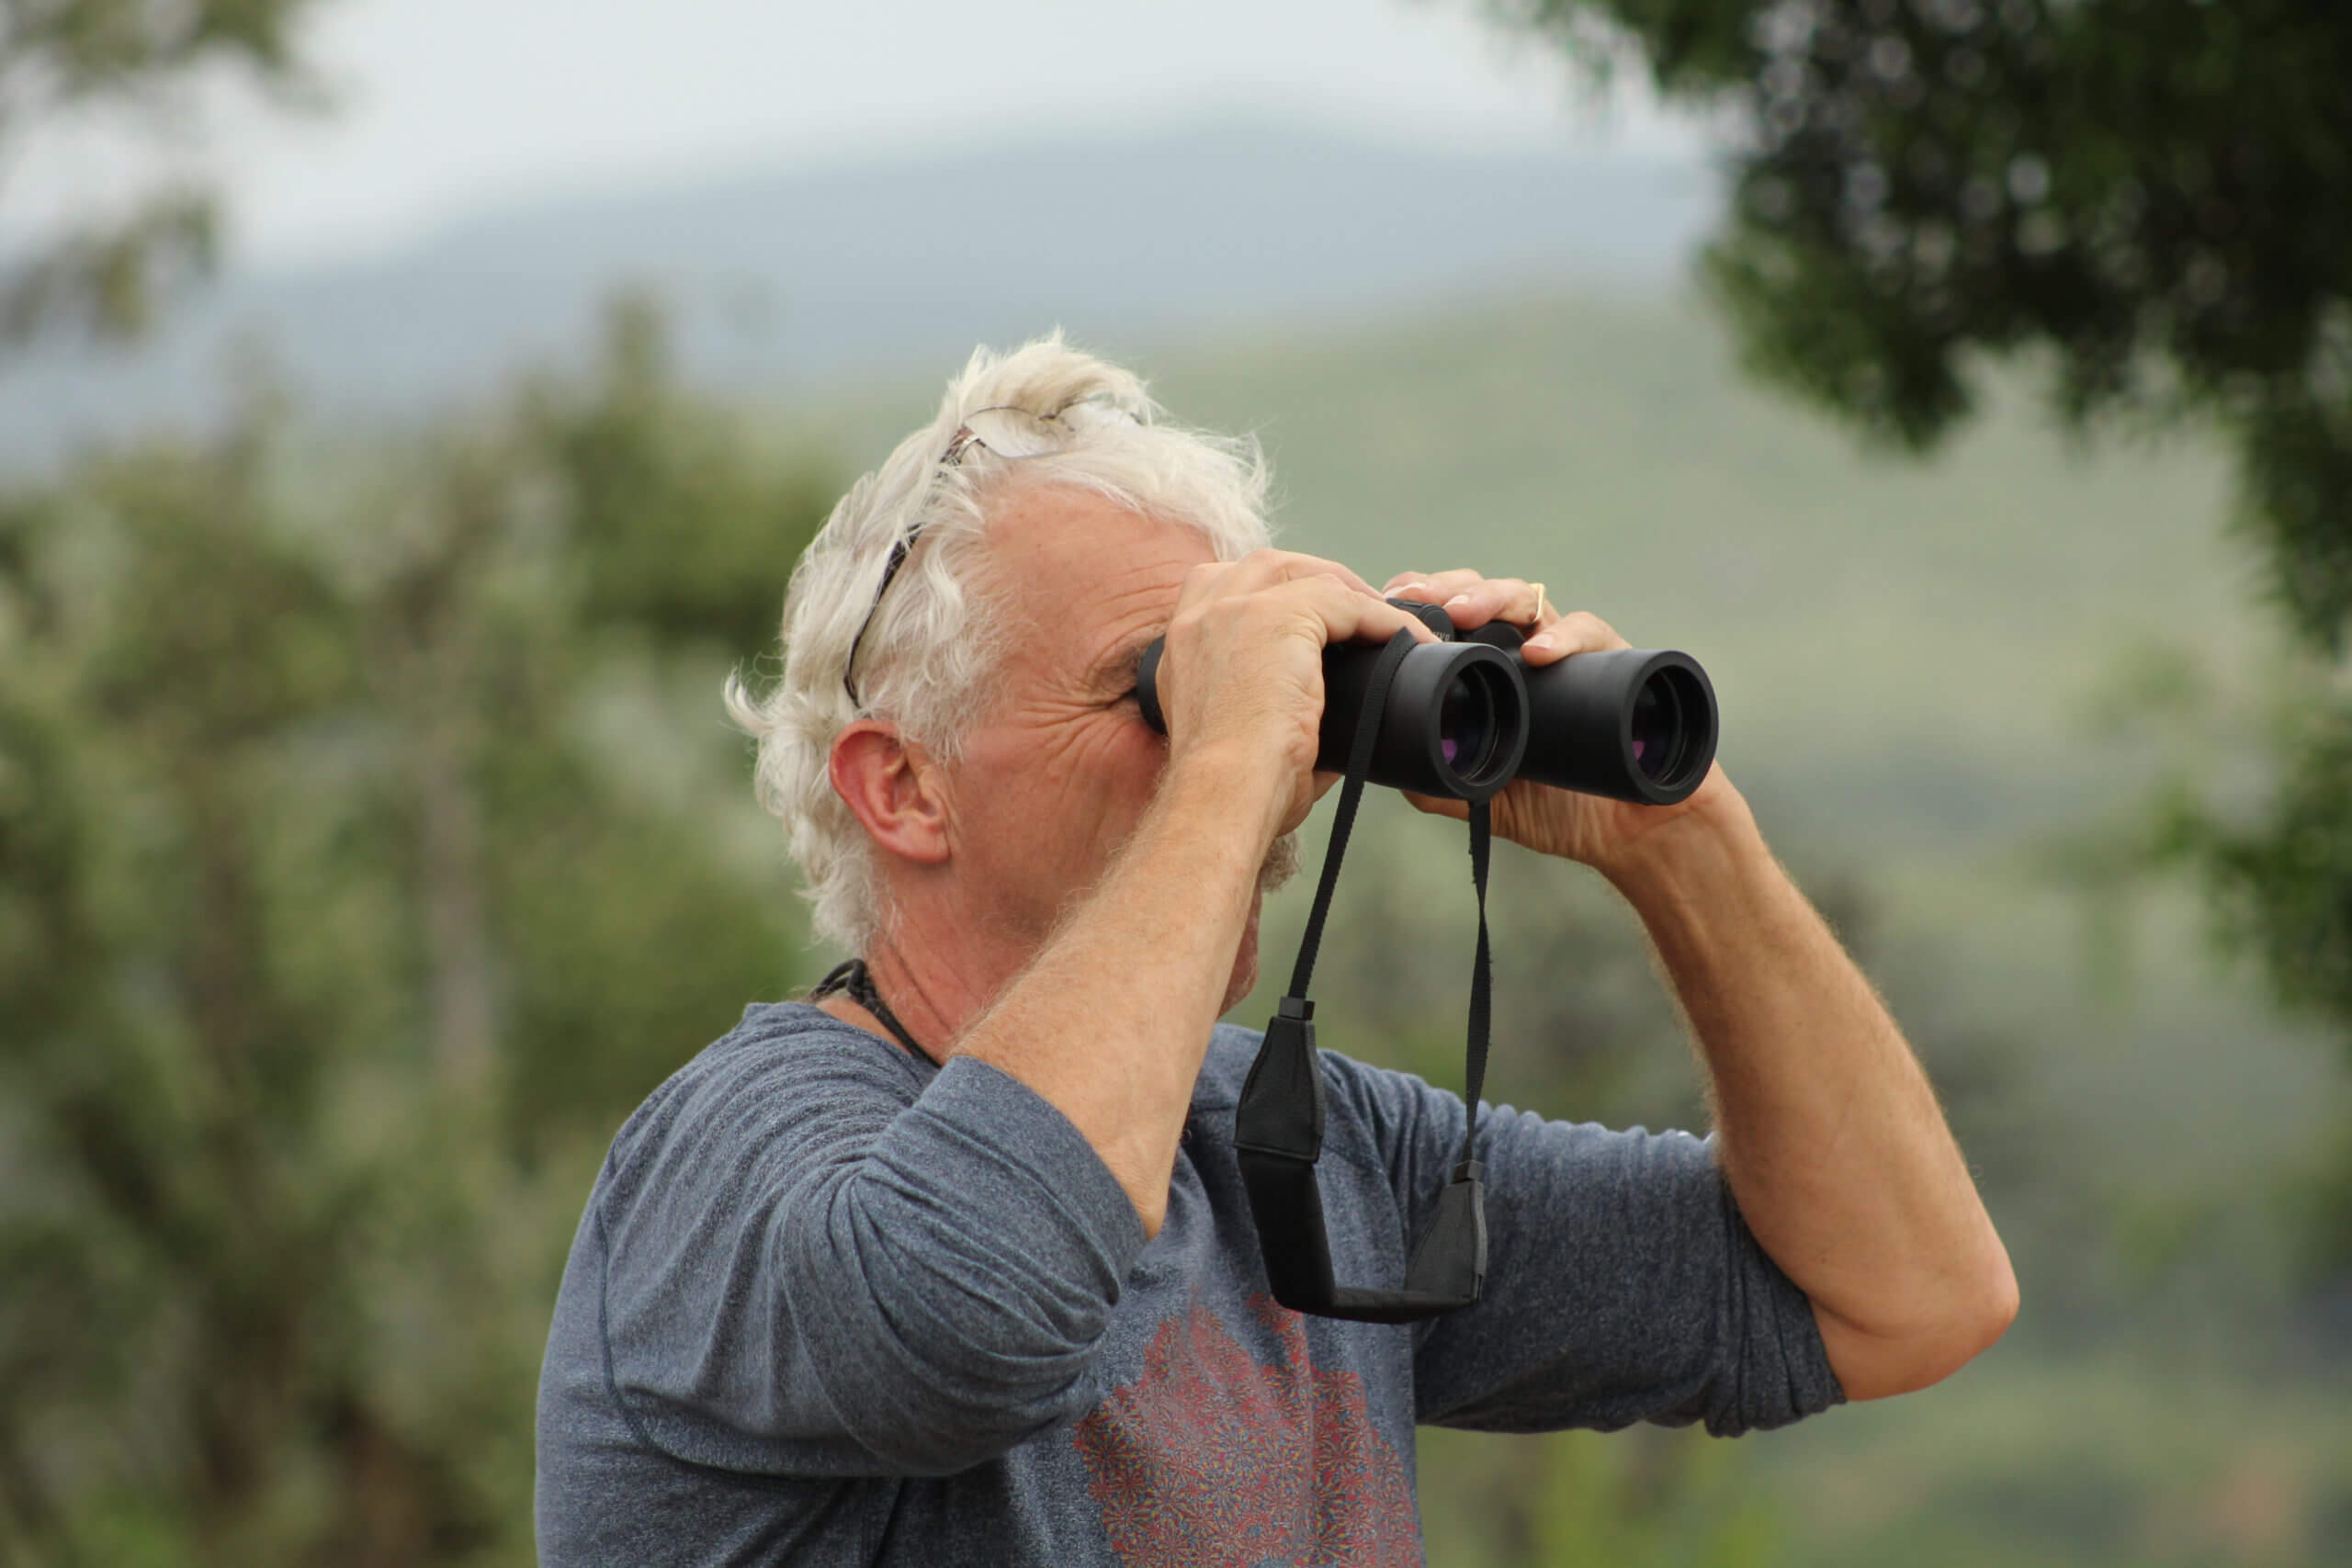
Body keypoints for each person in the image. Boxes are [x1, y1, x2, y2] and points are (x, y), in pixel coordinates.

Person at [533, 334, 2018, 1566]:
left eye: (1255, 691)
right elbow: (978, 1307)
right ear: (905, 788)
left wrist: (1683, 845)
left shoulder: (1293, 1157)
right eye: (1159, 690)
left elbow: (1905, 1295)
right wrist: (1229, 762)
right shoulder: (734, 1158)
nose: (1277, 750)